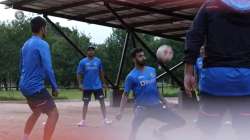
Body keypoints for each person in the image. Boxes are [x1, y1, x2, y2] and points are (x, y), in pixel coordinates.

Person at [184, 0, 250, 139]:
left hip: (214, 81)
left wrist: (188, 72)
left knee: (208, 132)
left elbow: (194, 35)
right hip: (246, 82)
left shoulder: (210, 5)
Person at [116, 48, 185, 140]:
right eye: (140, 56)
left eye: (143, 55)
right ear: (134, 59)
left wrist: (165, 102)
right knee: (134, 130)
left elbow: (155, 89)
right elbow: (125, 95)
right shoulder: (131, 76)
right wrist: (121, 112)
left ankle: (159, 131)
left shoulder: (152, 70)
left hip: (156, 107)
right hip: (141, 109)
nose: (143, 58)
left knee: (180, 122)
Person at [19, 16, 59, 140]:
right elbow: (48, 68)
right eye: (46, 28)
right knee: (54, 114)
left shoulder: (25, 44)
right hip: (34, 87)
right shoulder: (42, 44)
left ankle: (24, 138)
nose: (46, 30)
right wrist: (54, 87)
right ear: (42, 28)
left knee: (37, 112)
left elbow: (21, 65)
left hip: (24, 85)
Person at [76, 46, 112, 127]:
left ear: (94, 52)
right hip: (87, 86)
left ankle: (105, 119)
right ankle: (83, 121)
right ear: (87, 52)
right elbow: (78, 73)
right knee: (85, 103)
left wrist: (103, 83)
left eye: (92, 50)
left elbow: (101, 72)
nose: (91, 52)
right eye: (89, 50)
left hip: (97, 86)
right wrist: (80, 84)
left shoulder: (98, 61)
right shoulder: (82, 62)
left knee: (102, 102)